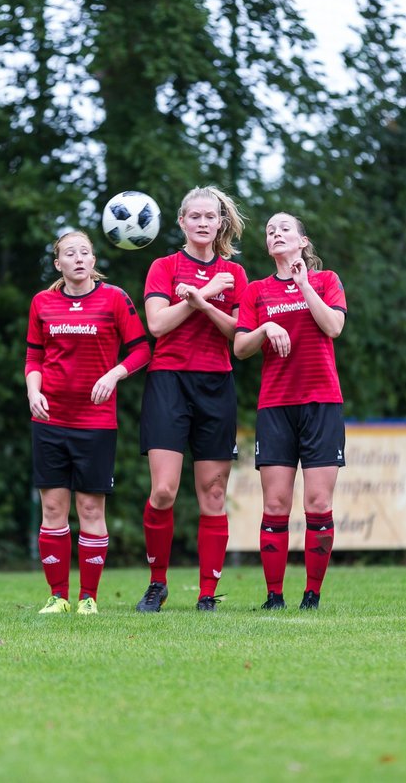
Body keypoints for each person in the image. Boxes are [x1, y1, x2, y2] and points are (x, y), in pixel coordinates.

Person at [136, 187, 249, 613]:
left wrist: (203, 300)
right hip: (168, 381)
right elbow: (156, 324)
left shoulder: (234, 276)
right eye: (195, 216)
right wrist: (197, 299)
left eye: (210, 217)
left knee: (212, 493)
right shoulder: (164, 266)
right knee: (163, 490)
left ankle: (206, 594)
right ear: (181, 222)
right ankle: (157, 583)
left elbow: (238, 334)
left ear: (220, 223)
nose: (203, 223)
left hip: (216, 384)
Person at [25, 231, 150, 614]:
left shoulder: (114, 299)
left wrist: (113, 375)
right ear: (58, 264)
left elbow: (142, 349)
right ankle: (58, 596)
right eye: (69, 253)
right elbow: (33, 358)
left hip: (95, 422)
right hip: (50, 420)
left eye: (85, 253)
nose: (78, 258)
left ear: (94, 262)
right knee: (52, 509)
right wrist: (34, 392)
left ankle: (88, 599)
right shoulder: (42, 302)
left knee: (91, 509)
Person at [233, 212, 346, 610]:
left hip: (321, 404)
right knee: (276, 504)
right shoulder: (257, 291)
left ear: (302, 241)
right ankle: (274, 596)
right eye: (270, 230)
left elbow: (333, 327)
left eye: (284, 229)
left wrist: (303, 286)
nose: (276, 233)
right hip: (276, 406)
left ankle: (312, 595)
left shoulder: (325, 280)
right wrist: (265, 329)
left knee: (317, 504)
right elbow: (240, 348)